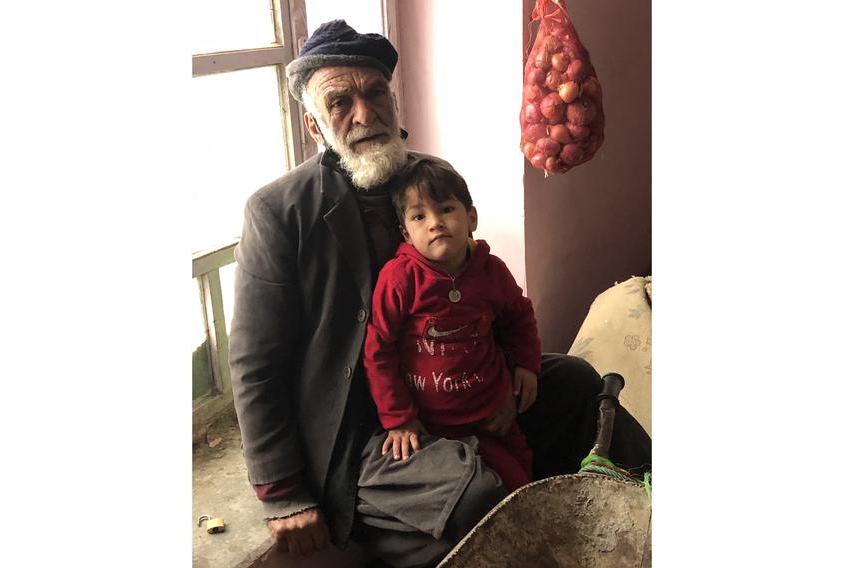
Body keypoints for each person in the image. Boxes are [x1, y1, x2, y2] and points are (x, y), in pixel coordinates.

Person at [228, 19, 651, 568]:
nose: (364, 113)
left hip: (460, 382)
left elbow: (484, 292)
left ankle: (653, 499)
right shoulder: (279, 212)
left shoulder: (432, 179)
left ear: (393, 98)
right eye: (340, 102)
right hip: (365, 429)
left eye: (375, 92)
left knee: (576, 382)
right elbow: (254, 363)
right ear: (313, 124)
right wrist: (282, 492)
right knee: (474, 490)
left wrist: (511, 371)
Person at [364, 157, 540, 493]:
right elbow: (379, 351)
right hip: (433, 428)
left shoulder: (491, 271)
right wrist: (399, 418)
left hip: (494, 412)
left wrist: (527, 366)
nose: (435, 223)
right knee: (492, 494)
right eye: (419, 216)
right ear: (405, 232)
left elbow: (520, 317)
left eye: (446, 209)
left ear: (471, 217)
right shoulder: (400, 279)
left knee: (522, 480)